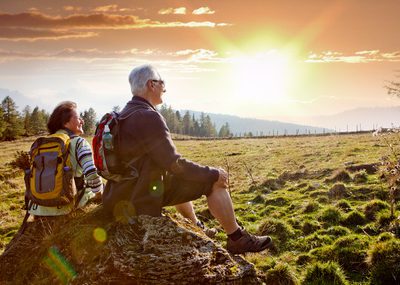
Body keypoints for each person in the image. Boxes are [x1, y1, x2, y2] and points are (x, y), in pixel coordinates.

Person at [102, 64, 272, 254]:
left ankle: (196, 226)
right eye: (162, 82)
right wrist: (213, 173)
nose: (164, 88)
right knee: (214, 182)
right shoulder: (149, 117)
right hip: (140, 197)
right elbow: (174, 164)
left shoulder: (123, 115)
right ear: (152, 84)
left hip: (119, 195)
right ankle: (237, 239)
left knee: (178, 178)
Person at [29, 101, 103, 216]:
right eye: (78, 118)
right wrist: (100, 195)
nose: (82, 121)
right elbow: (91, 175)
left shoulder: (43, 144)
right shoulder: (79, 142)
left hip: (39, 207)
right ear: (65, 122)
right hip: (67, 206)